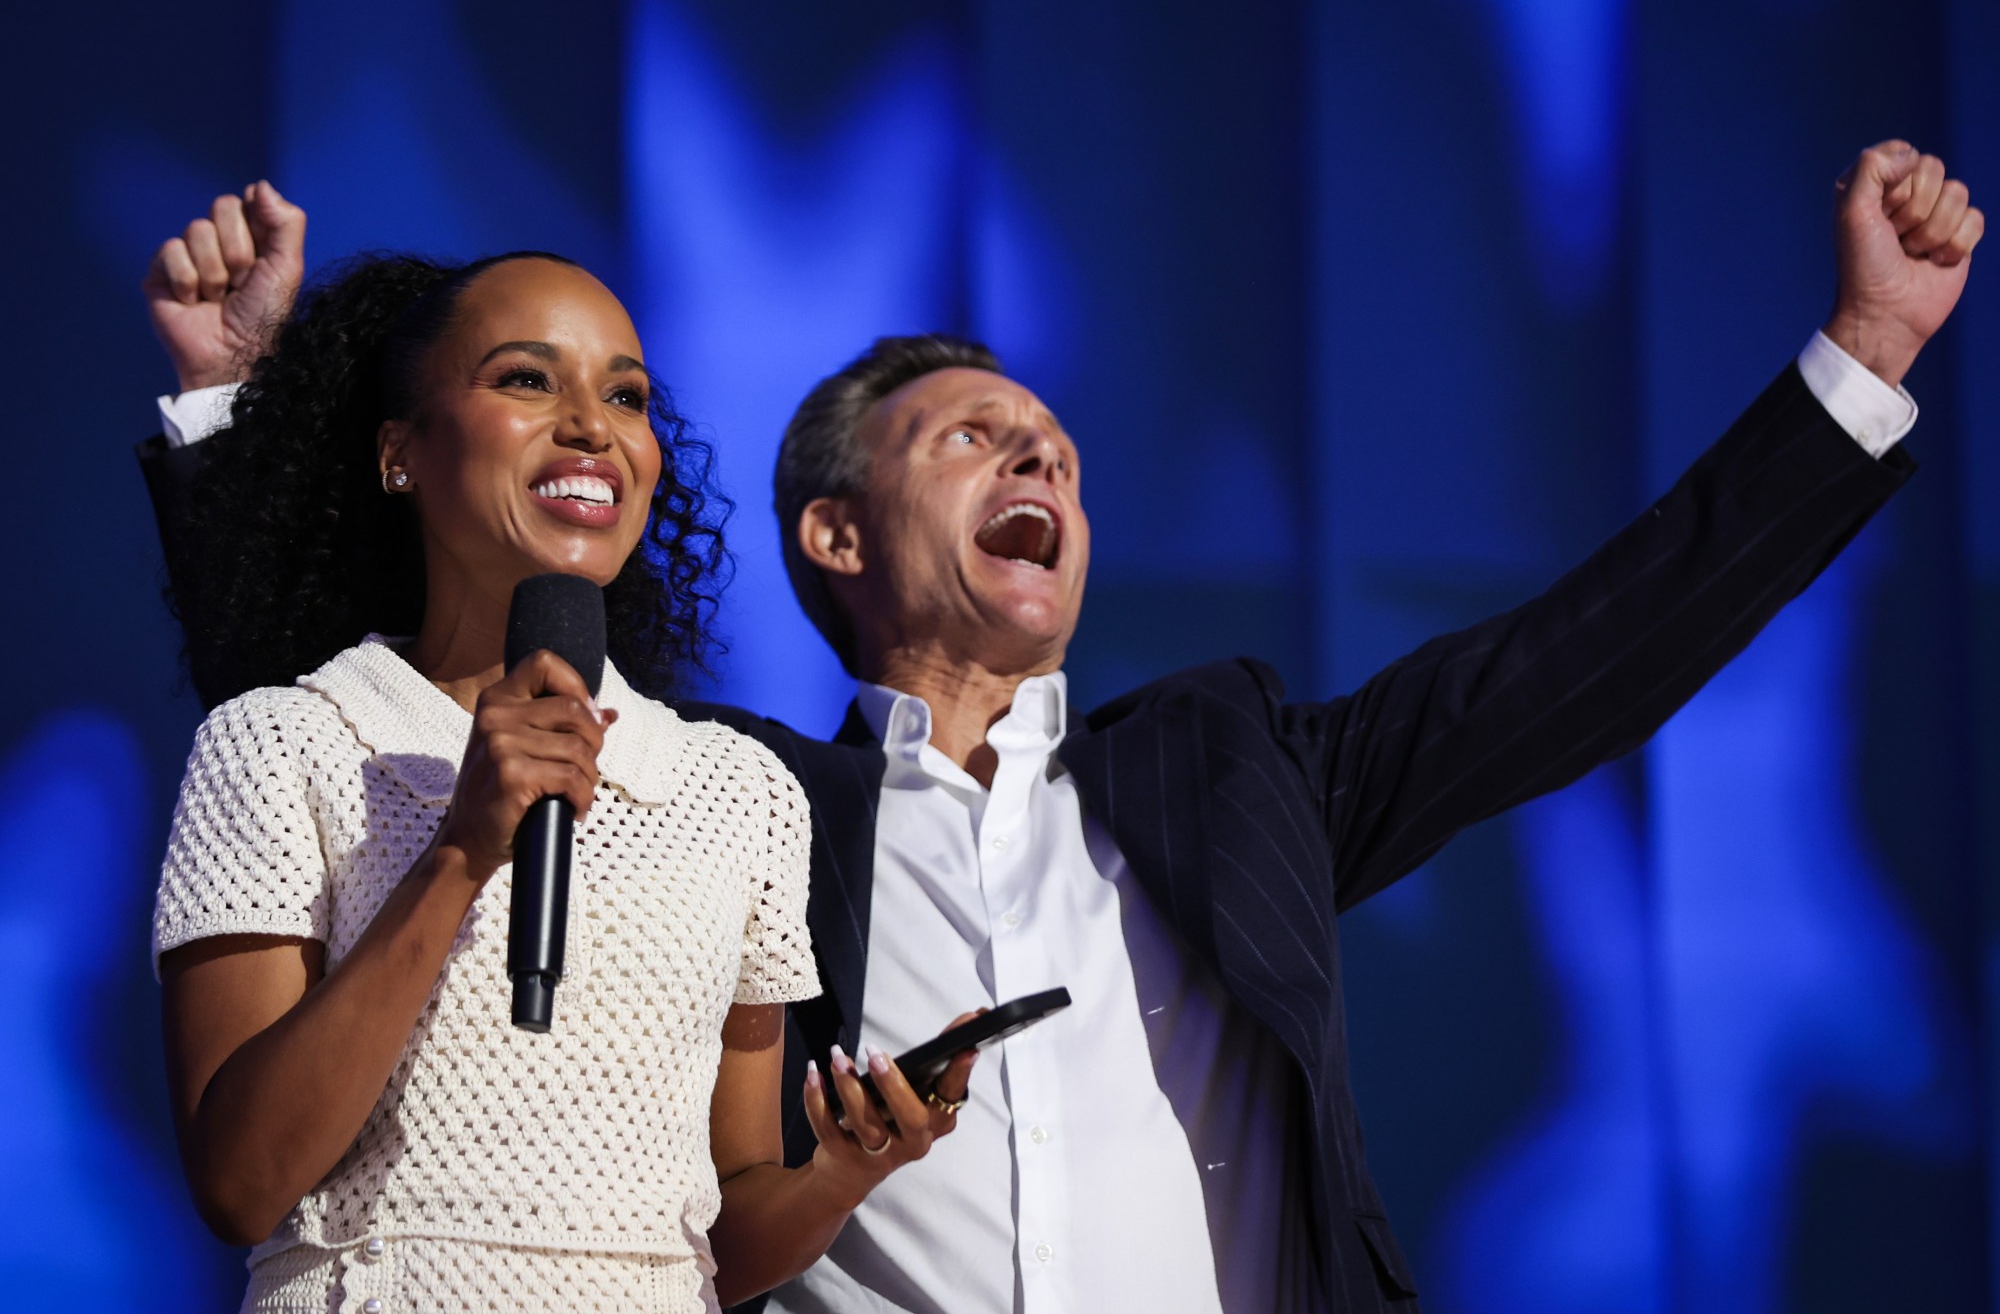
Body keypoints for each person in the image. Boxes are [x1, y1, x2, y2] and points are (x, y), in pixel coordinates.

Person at [140, 143, 1982, 1312]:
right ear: (836, 536)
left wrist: (1861, 367)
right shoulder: (742, 799)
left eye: (1057, 449)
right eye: (971, 435)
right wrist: (249, 416)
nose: (1039, 454)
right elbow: (365, 718)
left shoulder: (1240, 771)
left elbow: (1582, 659)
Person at [146, 225, 976, 1312]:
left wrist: (840, 1170)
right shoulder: (282, 742)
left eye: (626, 397)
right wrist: (459, 850)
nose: (591, 425)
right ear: (399, 452)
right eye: (527, 379)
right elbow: (241, 1183)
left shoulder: (738, 791)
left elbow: (713, 1239)